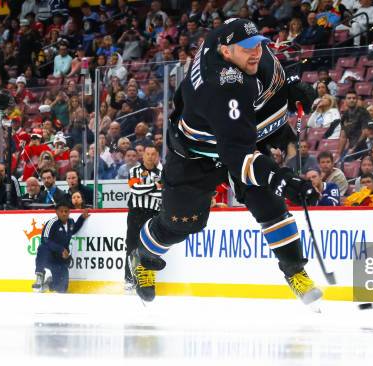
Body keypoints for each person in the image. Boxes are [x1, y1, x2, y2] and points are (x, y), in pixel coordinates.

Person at [129, 19, 320, 305]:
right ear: (226, 52)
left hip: (236, 135)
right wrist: (280, 178)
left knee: (269, 203)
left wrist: (290, 94)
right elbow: (237, 156)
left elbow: (266, 77)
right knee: (178, 225)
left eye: (258, 45)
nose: (255, 52)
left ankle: (295, 271)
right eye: (247, 49)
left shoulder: (235, 47)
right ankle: (142, 259)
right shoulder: (221, 85)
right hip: (197, 153)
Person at [125, 146, 163, 290]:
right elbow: (135, 189)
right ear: (143, 155)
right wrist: (154, 186)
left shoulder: (161, 174)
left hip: (154, 214)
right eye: (148, 154)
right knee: (132, 246)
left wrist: (145, 190)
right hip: (136, 213)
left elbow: (162, 194)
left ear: (157, 155)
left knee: (150, 248)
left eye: (153, 154)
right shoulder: (134, 171)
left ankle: (147, 280)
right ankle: (129, 280)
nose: (150, 156)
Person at [31, 201, 90, 293]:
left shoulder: (70, 222)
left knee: (62, 288)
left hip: (61, 259)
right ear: (57, 212)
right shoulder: (52, 223)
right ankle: (39, 275)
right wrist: (61, 249)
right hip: (49, 257)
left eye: (66, 211)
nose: (64, 213)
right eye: (61, 211)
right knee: (43, 247)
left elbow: (73, 230)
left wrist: (82, 218)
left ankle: (48, 284)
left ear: (69, 212)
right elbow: (45, 239)